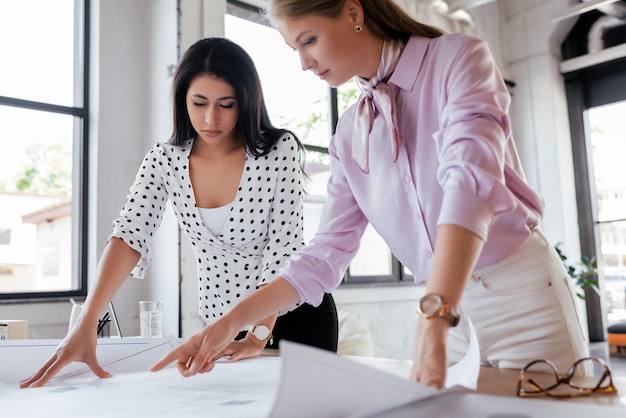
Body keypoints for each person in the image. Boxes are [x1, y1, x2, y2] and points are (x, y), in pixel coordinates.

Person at [149, 0, 591, 387]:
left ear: (353, 12)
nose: (304, 62)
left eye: (309, 40)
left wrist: (436, 313)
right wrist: (229, 324)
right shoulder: (350, 133)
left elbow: (470, 182)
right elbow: (324, 255)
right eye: (294, 49)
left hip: (520, 296)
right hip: (454, 323)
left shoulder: (459, 59)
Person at [20, 37, 338, 388]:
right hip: (222, 328)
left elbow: (284, 247)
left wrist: (259, 332)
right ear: (182, 99)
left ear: (245, 102)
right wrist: (87, 321)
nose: (210, 118)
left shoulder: (278, 150)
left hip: (296, 319)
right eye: (199, 102)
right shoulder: (165, 159)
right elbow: (129, 233)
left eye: (226, 105)